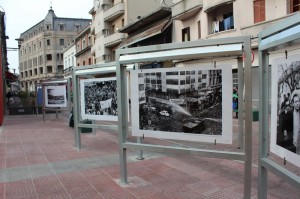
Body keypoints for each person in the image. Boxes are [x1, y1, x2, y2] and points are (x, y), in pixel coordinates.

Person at [291, 90, 300, 154]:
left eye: (299, 101)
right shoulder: (290, 114)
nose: (297, 103)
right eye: (296, 101)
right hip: (292, 144)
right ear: (293, 103)